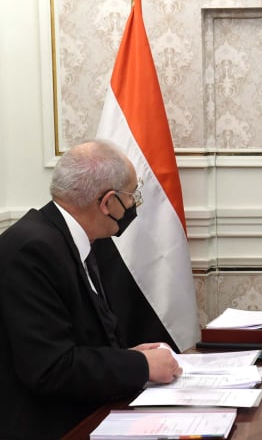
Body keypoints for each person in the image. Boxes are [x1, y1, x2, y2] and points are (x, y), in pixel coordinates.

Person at [0, 141, 182, 439]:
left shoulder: (70, 238)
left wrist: (128, 358)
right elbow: (51, 368)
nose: (133, 205)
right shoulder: (32, 250)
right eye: (132, 196)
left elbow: (80, 341)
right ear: (108, 202)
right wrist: (140, 366)